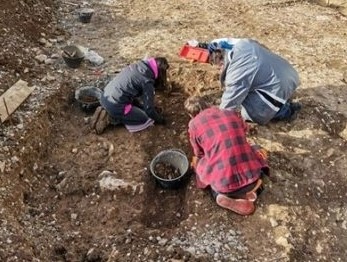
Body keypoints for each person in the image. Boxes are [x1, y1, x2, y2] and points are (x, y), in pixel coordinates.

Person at [184, 96, 269, 215]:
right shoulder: (229, 112)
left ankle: (219, 195)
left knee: (199, 164)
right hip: (252, 177)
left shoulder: (193, 124)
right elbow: (245, 129)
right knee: (256, 148)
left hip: (225, 186)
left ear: (191, 115)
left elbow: (199, 153)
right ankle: (255, 190)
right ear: (208, 104)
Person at [208, 38, 301, 125]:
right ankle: (282, 97)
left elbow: (229, 103)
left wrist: (218, 121)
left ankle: (285, 110)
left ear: (221, 63)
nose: (220, 70)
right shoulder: (243, 44)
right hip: (290, 75)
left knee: (248, 113)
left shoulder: (236, 72)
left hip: (278, 88)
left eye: (219, 67)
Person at [91, 57, 169, 134]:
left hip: (107, 95)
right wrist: (161, 120)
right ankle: (111, 118)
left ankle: (107, 109)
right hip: (115, 105)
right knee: (144, 117)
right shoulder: (147, 81)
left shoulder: (140, 66)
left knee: (138, 105)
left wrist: (144, 107)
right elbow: (149, 110)